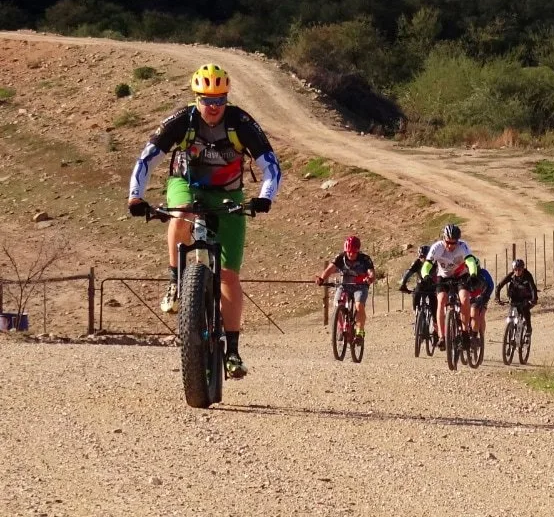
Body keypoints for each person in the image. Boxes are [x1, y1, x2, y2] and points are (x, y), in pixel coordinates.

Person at [126, 63, 281, 380]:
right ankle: (174, 281)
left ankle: (233, 351)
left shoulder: (240, 123)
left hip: (228, 194)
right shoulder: (182, 121)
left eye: (220, 100)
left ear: (226, 98)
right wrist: (135, 196)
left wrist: (264, 197)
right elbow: (147, 158)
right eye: (207, 100)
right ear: (196, 98)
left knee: (228, 275)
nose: (213, 107)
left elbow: (271, 165)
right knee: (181, 212)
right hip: (186, 183)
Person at [420, 224, 479, 350]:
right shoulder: (437, 247)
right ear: (443, 238)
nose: (451, 246)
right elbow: (427, 265)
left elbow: (470, 261)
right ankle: (442, 336)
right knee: (441, 300)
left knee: (464, 298)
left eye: (454, 243)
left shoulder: (463, 246)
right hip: (444, 276)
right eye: (448, 242)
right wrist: (426, 275)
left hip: (461, 276)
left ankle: (464, 332)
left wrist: (473, 273)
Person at [316, 235, 375, 338]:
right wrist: (321, 278)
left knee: (359, 306)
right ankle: (341, 326)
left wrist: (370, 278)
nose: (350, 254)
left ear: (358, 251)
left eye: (353, 252)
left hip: (360, 287)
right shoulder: (340, 257)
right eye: (348, 252)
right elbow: (330, 269)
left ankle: (360, 332)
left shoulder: (365, 259)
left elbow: (371, 273)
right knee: (337, 304)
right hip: (344, 285)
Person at [495, 258, 539, 332]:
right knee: (512, 307)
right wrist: (497, 298)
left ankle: (529, 328)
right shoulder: (511, 275)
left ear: (523, 269)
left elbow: (533, 288)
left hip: (527, 297)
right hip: (515, 296)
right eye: (515, 269)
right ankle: (510, 327)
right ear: (513, 269)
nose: (517, 271)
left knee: (525, 309)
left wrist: (534, 299)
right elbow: (499, 285)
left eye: (519, 269)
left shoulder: (527, 275)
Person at [467, 266, 495, 342]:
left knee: (480, 314)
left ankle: (480, 337)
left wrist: (486, 296)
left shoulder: (483, 272)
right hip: (470, 296)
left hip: (483, 295)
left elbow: (491, 285)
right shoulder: (465, 272)